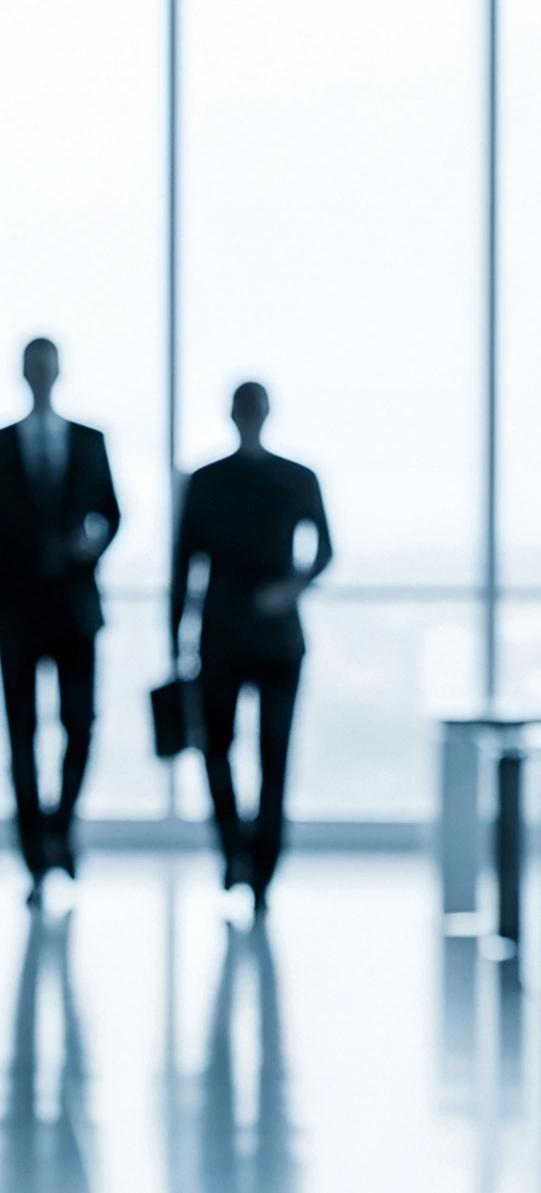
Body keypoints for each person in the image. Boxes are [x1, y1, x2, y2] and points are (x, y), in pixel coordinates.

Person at [0, 337, 121, 901]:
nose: (41, 376)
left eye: (48, 367)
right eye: (33, 367)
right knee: (22, 733)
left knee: (80, 725)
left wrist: (88, 546)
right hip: (16, 610)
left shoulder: (91, 441)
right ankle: (35, 851)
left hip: (75, 608)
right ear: (22, 374)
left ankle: (62, 827)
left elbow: (112, 514)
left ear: (59, 372)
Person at [171, 381, 333, 913]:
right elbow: (184, 568)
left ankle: (246, 859)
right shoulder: (260, 478)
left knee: (253, 751)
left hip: (245, 634)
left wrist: (176, 637)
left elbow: (184, 569)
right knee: (249, 751)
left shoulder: (215, 480)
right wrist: (290, 590)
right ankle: (249, 860)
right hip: (247, 633)